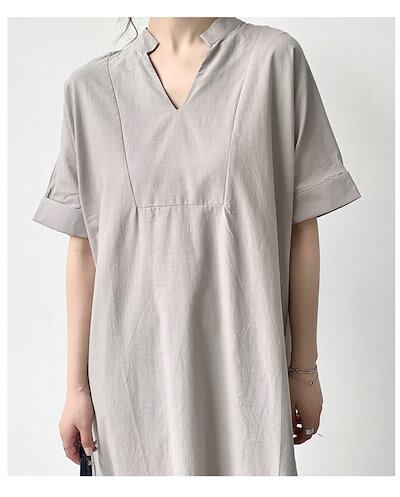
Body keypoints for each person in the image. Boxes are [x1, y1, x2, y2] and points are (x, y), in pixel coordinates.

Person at [32, 17, 361, 476]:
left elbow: (301, 227)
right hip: (128, 391)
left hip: (247, 377)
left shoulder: (274, 61)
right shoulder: (89, 90)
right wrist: (76, 389)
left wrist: (303, 369)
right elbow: (84, 249)